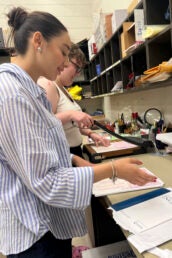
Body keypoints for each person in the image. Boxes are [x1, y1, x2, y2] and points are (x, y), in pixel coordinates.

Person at [0, 6, 157, 258]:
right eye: (63, 52)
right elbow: (46, 182)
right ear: (38, 41)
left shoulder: (30, 91)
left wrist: (73, 159)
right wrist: (114, 170)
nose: (64, 62)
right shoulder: (12, 95)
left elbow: (40, 150)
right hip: (34, 233)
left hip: (47, 225)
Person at [37, 44, 110, 158]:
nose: (78, 73)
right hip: (64, 155)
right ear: (64, 60)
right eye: (77, 67)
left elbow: (71, 126)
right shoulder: (48, 85)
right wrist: (71, 114)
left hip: (74, 152)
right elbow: (43, 124)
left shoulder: (63, 89)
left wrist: (91, 133)